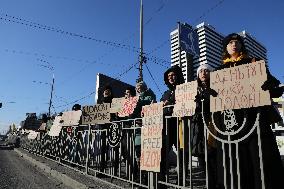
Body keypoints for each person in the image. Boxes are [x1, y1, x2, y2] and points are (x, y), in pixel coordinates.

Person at [215, 33, 284, 189]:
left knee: (260, 161)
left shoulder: (254, 63)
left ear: (241, 46)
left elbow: (273, 85)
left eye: (237, 42)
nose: (234, 44)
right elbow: (214, 96)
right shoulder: (219, 71)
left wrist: (270, 84)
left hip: (255, 121)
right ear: (226, 48)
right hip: (231, 123)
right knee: (235, 163)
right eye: (230, 42)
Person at [160, 65, 187, 187]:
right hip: (167, 127)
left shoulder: (185, 89)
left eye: (173, 75)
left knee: (182, 155)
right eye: (168, 76)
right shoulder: (165, 93)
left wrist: (170, 103)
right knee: (162, 154)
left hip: (180, 126)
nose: (171, 78)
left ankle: (180, 183)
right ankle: (162, 182)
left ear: (178, 76)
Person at [192, 64, 218, 189]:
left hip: (212, 125)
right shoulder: (193, 90)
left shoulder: (216, 87)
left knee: (213, 156)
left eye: (207, 70)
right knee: (202, 156)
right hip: (198, 127)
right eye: (201, 71)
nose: (203, 73)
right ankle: (209, 183)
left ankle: (216, 184)